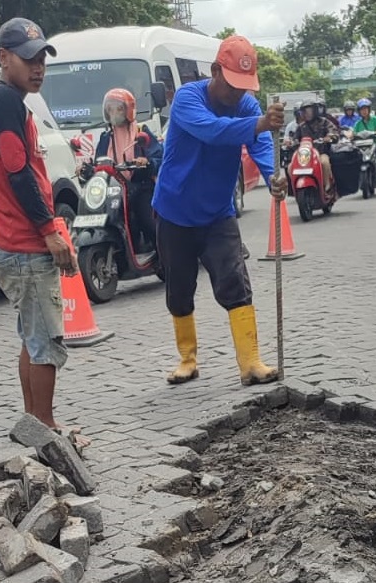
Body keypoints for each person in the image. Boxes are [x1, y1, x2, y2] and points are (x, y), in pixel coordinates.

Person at [151, 35, 288, 386]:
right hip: (174, 211)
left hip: (217, 213)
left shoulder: (246, 106)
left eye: (244, 86)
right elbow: (212, 131)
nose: (237, 93)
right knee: (179, 288)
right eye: (232, 84)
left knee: (235, 281)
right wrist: (259, 124)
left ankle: (251, 362)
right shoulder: (188, 98)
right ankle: (187, 359)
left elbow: (261, 145)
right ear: (215, 71)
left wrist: (274, 175)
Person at [0, 18, 81, 434]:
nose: (38, 68)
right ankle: (46, 427)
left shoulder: (8, 101)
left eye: (41, 60)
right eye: (28, 60)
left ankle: (34, 424)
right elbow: (18, 173)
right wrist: (50, 231)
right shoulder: (4, 101)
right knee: (45, 342)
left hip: (16, 241)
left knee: (32, 337)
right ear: (4, 58)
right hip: (24, 243)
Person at [86, 88, 163, 250]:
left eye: (119, 109)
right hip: (114, 190)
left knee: (151, 224)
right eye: (110, 109)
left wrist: (146, 162)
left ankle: (163, 256)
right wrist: (87, 169)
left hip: (140, 187)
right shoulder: (106, 137)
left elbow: (159, 157)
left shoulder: (141, 132)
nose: (114, 113)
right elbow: (98, 163)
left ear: (129, 110)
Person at [293, 98, 340, 194]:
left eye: (309, 110)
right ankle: (293, 189)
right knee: (291, 166)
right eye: (305, 111)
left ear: (315, 110)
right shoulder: (301, 126)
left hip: (321, 153)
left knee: (324, 162)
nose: (307, 113)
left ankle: (327, 185)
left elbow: (333, 132)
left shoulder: (325, 122)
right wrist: (290, 142)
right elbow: (294, 138)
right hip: (305, 156)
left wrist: (329, 137)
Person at [351, 98, 376, 182]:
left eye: (366, 108)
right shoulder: (357, 123)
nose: (364, 111)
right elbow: (352, 134)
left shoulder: (375, 119)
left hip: (373, 146)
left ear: (369, 109)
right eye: (362, 109)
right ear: (359, 111)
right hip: (360, 147)